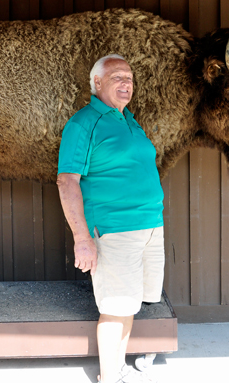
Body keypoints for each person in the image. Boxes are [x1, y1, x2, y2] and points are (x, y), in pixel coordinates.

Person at [57, 54, 165, 383]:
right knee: (114, 308)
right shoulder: (84, 122)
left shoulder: (129, 120)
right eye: (117, 77)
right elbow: (67, 181)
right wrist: (82, 240)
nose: (126, 83)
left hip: (150, 228)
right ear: (97, 83)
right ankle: (109, 376)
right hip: (114, 231)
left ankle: (116, 368)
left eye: (130, 78)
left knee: (128, 305)